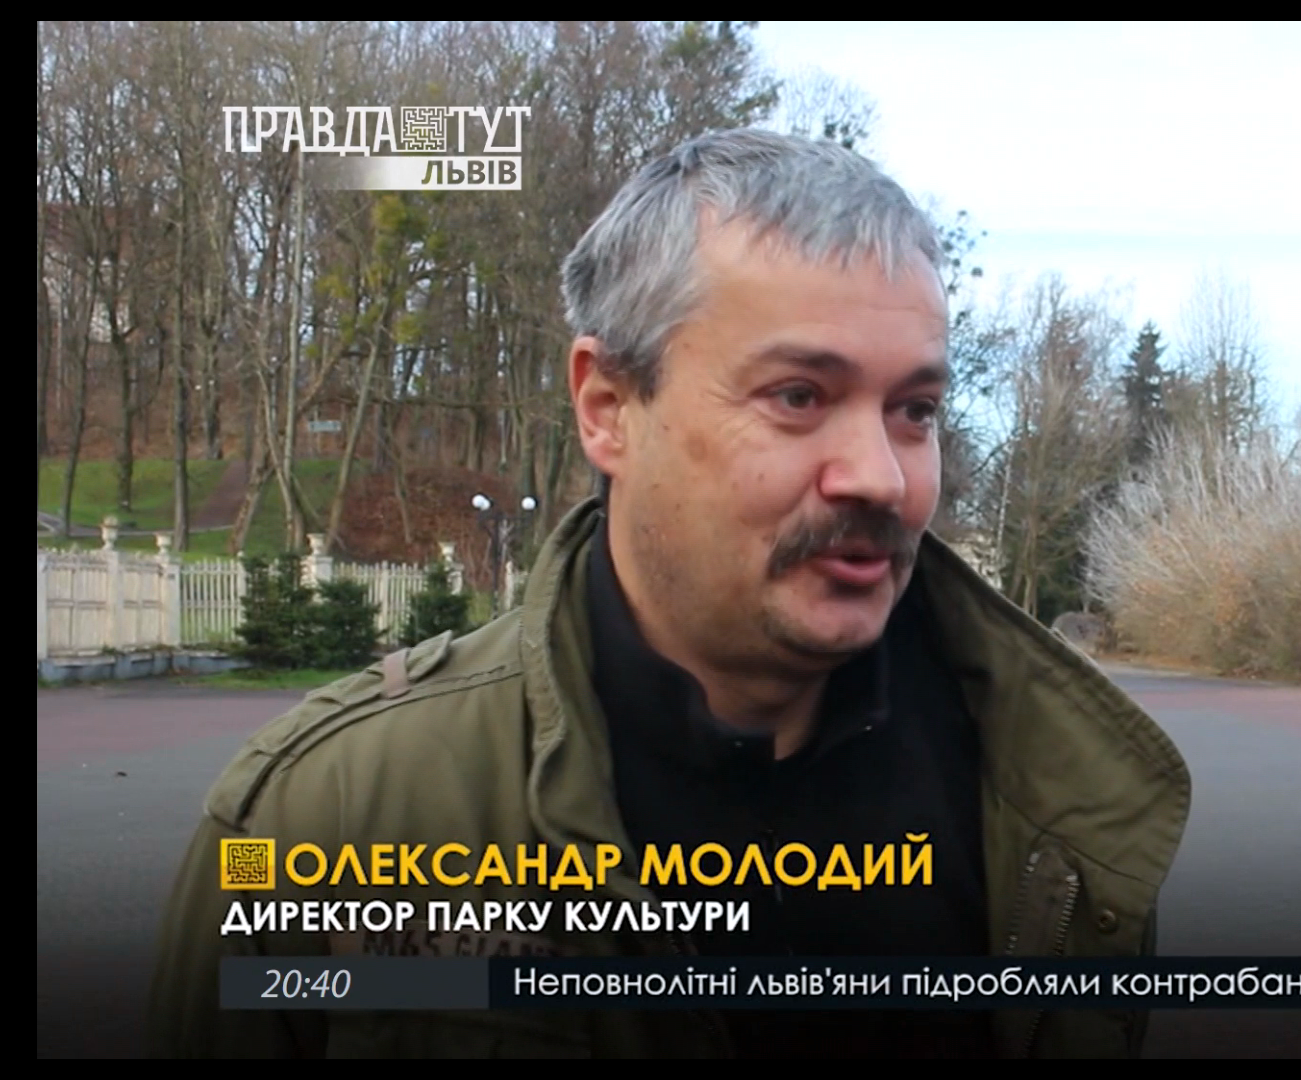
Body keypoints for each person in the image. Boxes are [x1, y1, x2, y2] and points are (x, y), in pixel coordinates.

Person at [147, 128, 1191, 1058]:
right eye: (799, 396)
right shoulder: (325, 821)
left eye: (913, 410)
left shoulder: (1053, 803)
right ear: (608, 408)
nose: (880, 476)